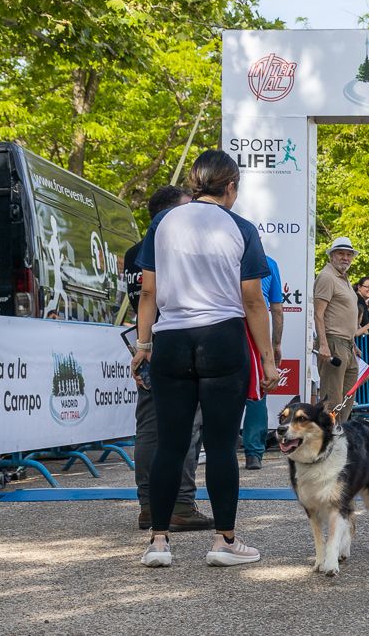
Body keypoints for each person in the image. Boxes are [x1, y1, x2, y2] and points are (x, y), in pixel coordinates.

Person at [132, 149, 278, 568]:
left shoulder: (163, 222)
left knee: (170, 444)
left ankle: (159, 543)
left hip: (171, 337)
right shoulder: (241, 227)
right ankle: (224, 541)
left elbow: (148, 291)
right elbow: (253, 300)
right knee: (220, 446)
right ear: (230, 186)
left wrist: (143, 345)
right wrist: (268, 360)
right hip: (222, 338)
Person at [123, 185, 212, 532]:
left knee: (148, 426)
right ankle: (181, 504)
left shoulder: (133, 253)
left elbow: (141, 297)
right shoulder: (171, 248)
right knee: (187, 424)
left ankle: (149, 505)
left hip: (145, 342)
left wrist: (142, 343)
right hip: (174, 340)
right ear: (170, 213)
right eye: (187, 207)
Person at [241, 254, 284, 470]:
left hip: (221, 327)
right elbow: (276, 308)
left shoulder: (220, 254)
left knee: (219, 389)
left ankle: (220, 449)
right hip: (255, 329)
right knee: (258, 391)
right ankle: (254, 453)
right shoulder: (268, 262)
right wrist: (275, 345)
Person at [314, 237, 362, 423]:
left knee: (347, 397)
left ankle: (340, 433)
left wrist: (353, 343)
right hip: (333, 342)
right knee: (332, 400)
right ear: (331, 255)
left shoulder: (343, 278)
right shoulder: (327, 277)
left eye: (349, 254)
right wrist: (323, 344)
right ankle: (329, 436)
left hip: (347, 344)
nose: (345, 258)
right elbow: (318, 314)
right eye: (341, 253)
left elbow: (344, 314)